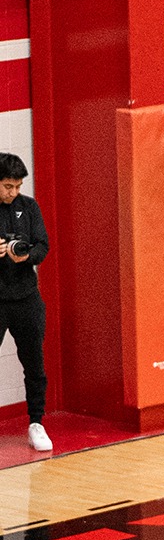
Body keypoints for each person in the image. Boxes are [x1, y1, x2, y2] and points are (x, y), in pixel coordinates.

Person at [0, 154, 49, 454]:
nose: (13, 192)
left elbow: (43, 245)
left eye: (17, 186)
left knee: (34, 363)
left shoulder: (29, 207)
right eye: (8, 186)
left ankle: (36, 423)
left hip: (26, 297)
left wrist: (26, 256)